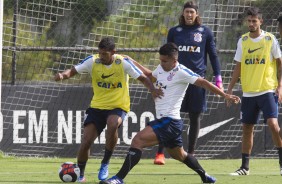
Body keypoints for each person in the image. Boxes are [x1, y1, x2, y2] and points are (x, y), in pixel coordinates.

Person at [100, 43, 240, 184]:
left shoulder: (182, 72)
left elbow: (203, 83)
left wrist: (225, 95)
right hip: (168, 122)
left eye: (164, 61)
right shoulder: (161, 67)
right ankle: (206, 176)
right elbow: (150, 75)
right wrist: (131, 60)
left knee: (137, 140)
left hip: (169, 121)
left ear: (174, 61)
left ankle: (118, 178)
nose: (161, 63)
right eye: (160, 60)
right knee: (181, 155)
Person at [54, 37, 162, 182]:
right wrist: (62, 75)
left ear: (113, 52)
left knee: (112, 124)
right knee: (86, 141)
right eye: (100, 53)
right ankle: (80, 173)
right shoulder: (92, 61)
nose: (101, 56)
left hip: (118, 106)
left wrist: (152, 90)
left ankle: (105, 163)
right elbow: (73, 71)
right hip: (97, 106)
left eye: (104, 54)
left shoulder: (122, 63)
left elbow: (143, 78)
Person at [154, 0, 224, 165]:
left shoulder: (205, 32)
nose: (189, 15)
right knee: (167, 115)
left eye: (192, 12)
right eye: (187, 12)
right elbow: (166, 55)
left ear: (197, 14)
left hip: (195, 79)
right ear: (183, 13)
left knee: (194, 116)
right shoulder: (174, 31)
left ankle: (191, 153)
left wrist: (218, 78)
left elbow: (213, 56)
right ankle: (159, 153)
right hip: (175, 79)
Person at [227, 7, 282, 176]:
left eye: (254, 21)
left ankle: (281, 164)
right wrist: (229, 89)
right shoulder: (242, 41)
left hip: (267, 90)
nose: (251, 24)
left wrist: (280, 86)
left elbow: (280, 62)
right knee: (247, 128)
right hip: (249, 92)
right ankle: (245, 167)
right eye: (249, 21)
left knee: (273, 124)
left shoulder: (269, 39)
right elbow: (238, 66)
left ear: (261, 21)